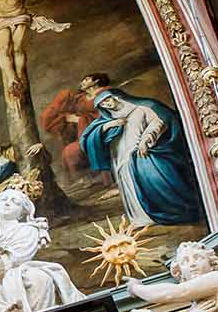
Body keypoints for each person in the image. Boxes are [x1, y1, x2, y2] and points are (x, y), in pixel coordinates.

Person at [77, 76, 204, 227]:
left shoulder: (142, 108)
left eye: (108, 100)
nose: (108, 104)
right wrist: (109, 125)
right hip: (121, 157)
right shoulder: (106, 120)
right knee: (128, 180)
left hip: (143, 152)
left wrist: (146, 140)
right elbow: (88, 139)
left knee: (155, 177)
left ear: (116, 97)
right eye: (103, 104)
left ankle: (169, 210)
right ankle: (141, 217)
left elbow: (157, 123)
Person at [0, 188, 86, 312]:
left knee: (38, 278)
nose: (7, 203)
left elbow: (17, 257)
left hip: (16, 273)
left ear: (21, 213)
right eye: (3, 200)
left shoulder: (28, 230)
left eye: (15, 202)